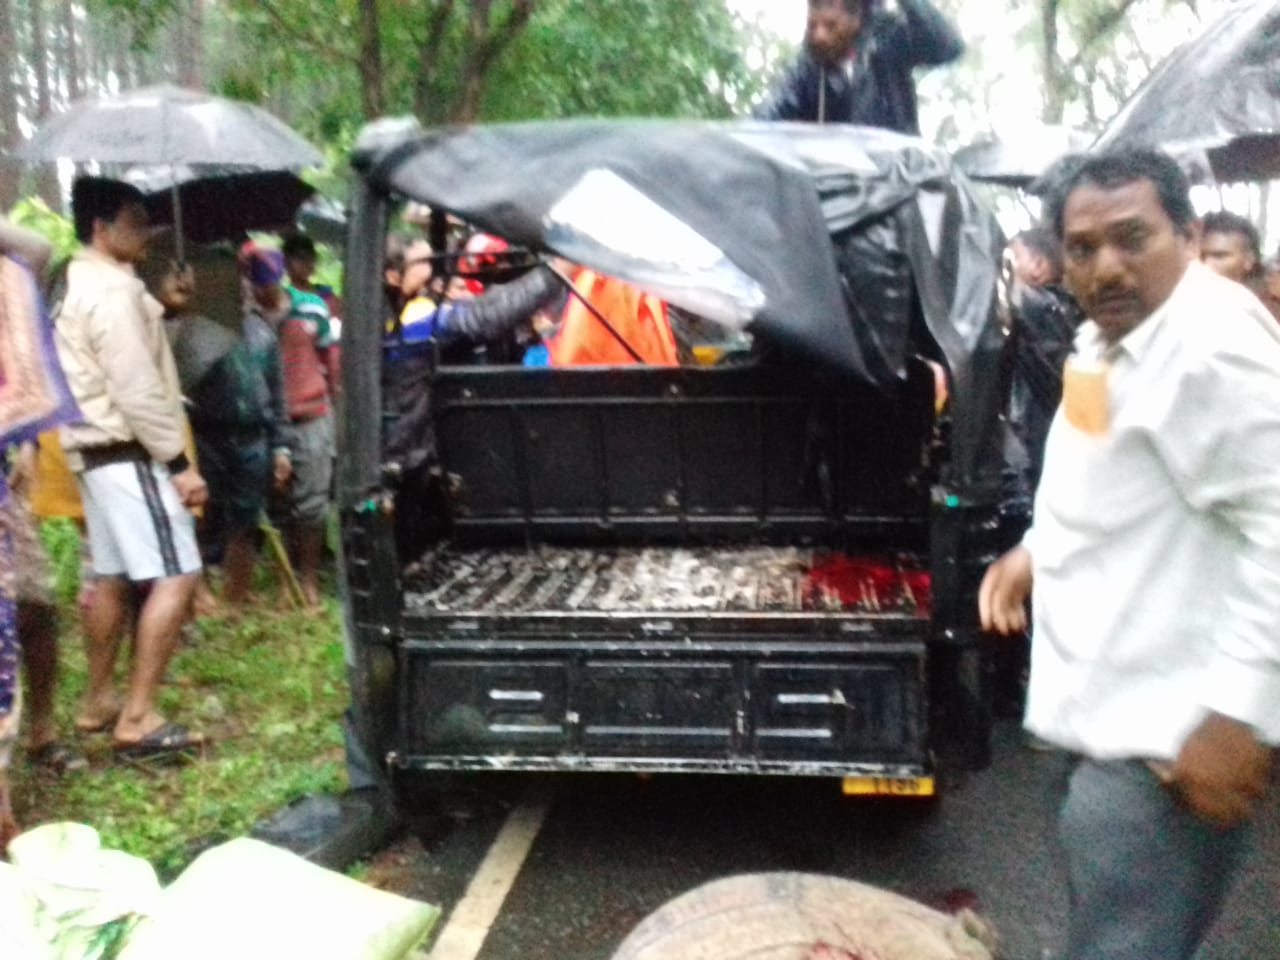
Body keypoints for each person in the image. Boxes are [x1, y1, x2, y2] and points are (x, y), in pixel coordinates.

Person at [979, 150, 1278, 960]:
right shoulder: (1104, 338)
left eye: (1132, 237)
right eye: (1083, 247)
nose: (1107, 266)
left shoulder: (1211, 348)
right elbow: (1096, 467)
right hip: (1097, 715)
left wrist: (1241, 713)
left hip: (1165, 749)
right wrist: (1035, 551)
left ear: (1188, 234)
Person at [55, 177, 208, 760]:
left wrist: (164, 306)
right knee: (178, 572)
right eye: (135, 221)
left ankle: (98, 700)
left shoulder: (76, 281)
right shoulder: (113, 292)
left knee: (111, 578)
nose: (147, 232)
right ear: (101, 227)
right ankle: (138, 718)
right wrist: (178, 463)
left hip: (93, 454)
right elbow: (137, 387)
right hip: (127, 450)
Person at [158, 263, 292, 610]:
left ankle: (236, 595)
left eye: (244, 288)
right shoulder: (197, 329)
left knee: (245, 520)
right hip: (208, 434)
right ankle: (199, 592)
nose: (242, 293)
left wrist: (282, 448)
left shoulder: (262, 332)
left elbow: (278, 393)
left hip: (253, 437)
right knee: (202, 515)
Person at [246, 247, 334, 608]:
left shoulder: (312, 307)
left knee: (313, 505)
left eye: (268, 283)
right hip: (267, 421)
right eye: (257, 283)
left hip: (312, 414)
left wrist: (337, 406)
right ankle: (286, 580)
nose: (262, 291)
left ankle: (308, 578)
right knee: (277, 503)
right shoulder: (247, 317)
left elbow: (330, 357)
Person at [754, 0, 964, 134]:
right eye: (812, 25)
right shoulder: (806, 70)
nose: (819, 36)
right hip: (838, 187)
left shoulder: (889, 39)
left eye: (830, 25)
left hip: (897, 182)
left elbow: (949, 46)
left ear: (856, 18)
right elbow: (764, 119)